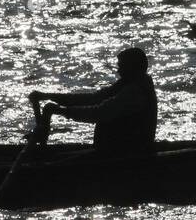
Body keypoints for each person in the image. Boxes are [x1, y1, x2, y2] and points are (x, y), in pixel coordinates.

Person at [30, 47, 158, 156]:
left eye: (122, 67)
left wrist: (61, 111)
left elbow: (99, 113)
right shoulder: (125, 84)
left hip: (128, 155)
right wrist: (48, 96)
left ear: (133, 68)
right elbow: (92, 99)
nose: (118, 71)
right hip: (114, 152)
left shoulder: (135, 92)